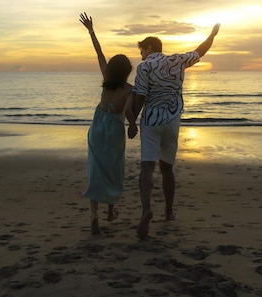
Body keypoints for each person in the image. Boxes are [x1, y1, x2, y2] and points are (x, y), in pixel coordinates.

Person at [125, 23, 220, 240]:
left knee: (147, 168)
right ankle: (168, 212)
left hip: (151, 122)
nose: (140, 56)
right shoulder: (177, 60)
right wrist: (212, 34)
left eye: (142, 51)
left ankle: (146, 209)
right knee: (167, 169)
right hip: (172, 122)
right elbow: (200, 51)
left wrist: (132, 124)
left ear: (149, 48)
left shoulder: (145, 67)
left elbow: (140, 96)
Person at [79, 12, 134, 235]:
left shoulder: (105, 80)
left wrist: (91, 30)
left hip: (98, 126)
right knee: (114, 168)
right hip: (114, 129)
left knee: (95, 169)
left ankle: (94, 214)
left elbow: (99, 52)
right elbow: (130, 110)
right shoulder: (129, 89)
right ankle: (110, 212)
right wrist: (133, 125)